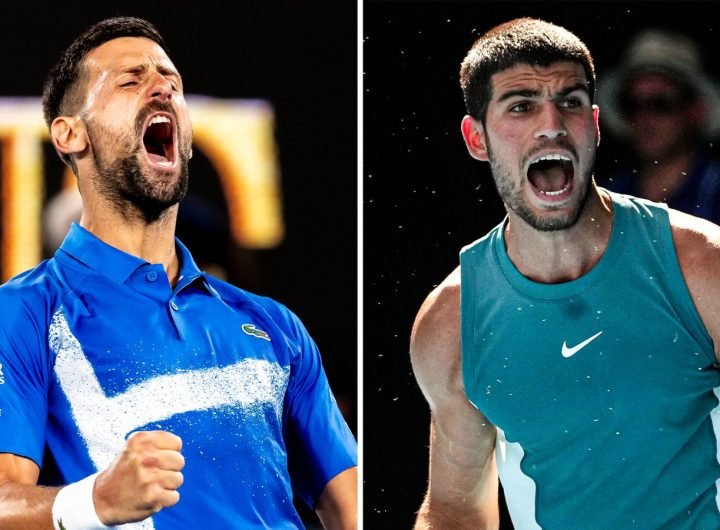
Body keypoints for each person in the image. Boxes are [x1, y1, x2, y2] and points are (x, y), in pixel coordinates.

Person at [0, 16, 357, 530]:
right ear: (69, 133)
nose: (162, 87)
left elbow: (351, 507)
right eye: (130, 79)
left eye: (173, 82)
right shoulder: (23, 315)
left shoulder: (276, 327)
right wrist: (93, 501)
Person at [410, 17, 720, 529]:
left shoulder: (702, 265)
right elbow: (455, 512)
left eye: (570, 102)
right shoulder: (451, 321)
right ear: (477, 138)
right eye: (521, 106)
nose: (551, 124)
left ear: (594, 124)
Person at [596, 28, 720, 225]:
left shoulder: (714, 192)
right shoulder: (607, 195)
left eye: (662, 103)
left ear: (697, 110)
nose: (646, 117)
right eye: (632, 104)